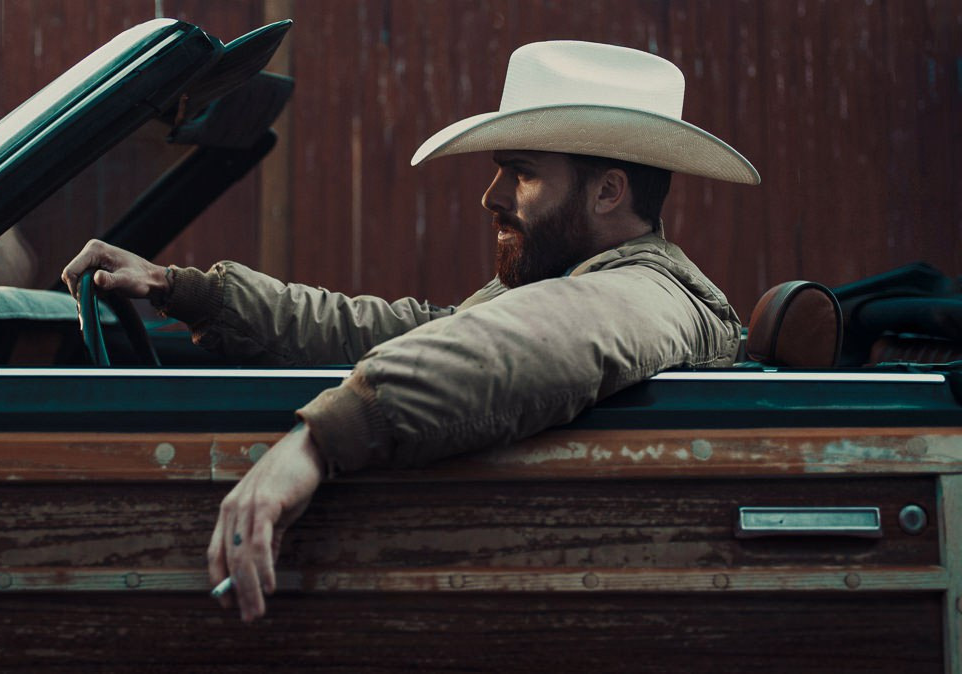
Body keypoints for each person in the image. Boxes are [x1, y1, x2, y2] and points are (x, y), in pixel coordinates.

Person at [62, 40, 759, 622]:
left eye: (520, 174)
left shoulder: (649, 294)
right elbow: (402, 330)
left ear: (607, 192)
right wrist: (184, 290)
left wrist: (316, 443)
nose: (491, 196)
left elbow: (521, 345)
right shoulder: (567, 281)